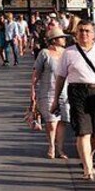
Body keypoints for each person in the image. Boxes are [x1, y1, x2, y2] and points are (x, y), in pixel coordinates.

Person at [52, 19, 95, 181]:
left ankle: (89, 157)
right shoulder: (69, 52)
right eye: (81, 31)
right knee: (83, 132)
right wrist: (55, 99)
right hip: (77, 92)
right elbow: (60, 77)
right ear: (76, 34)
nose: (84, 34)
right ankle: (87, 168)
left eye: (87, 31)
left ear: (93, 35)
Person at [31, 27, 69, 160]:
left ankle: (60, 148)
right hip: (48, 92)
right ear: (54, 40)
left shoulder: (66, 53)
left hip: (65, 93)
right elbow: (36, 73)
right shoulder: (44, 53)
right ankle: (52, 146)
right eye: (62, 37)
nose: (64, 39)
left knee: (62, 121)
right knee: (52, 122)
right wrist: (33, 90)